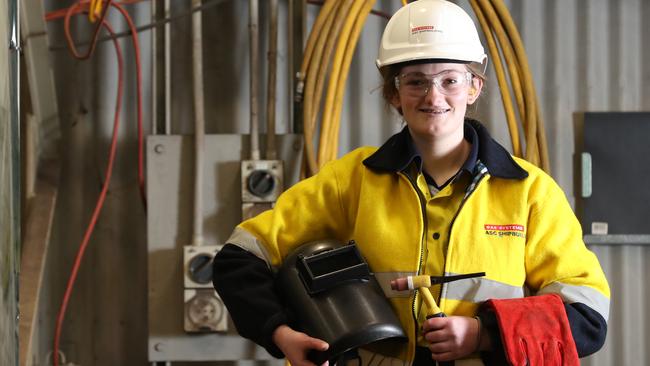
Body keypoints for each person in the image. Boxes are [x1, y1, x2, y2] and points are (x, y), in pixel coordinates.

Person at [213, 1, 610, 365]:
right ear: (394, 94)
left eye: (450, 80)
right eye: (416, 81)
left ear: (474, 87)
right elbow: (239, 259)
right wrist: (282, 335)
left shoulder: (530, 193)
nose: (433, 96)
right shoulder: (350, 181)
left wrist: (483, 334)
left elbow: (587, 315)